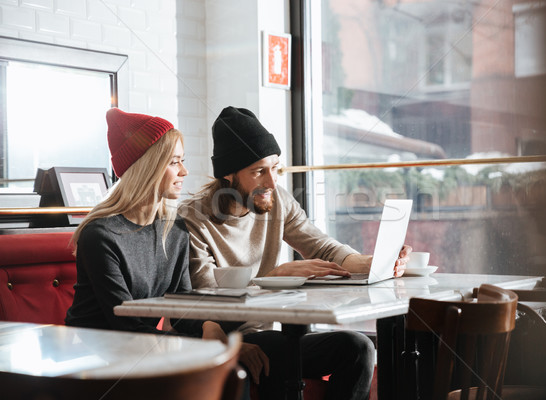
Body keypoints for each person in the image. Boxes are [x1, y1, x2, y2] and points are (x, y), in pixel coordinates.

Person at [178, 106, 412, 399]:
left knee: (358, 348)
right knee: (301, 355)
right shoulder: (192, 218)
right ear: (228, 174)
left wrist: (373, 263)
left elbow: (323, 247)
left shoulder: (278, 201)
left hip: (272, 336)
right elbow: (205, 299)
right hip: (228, 336)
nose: (272, 182)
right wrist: (271, 279)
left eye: (275, 167)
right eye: (259, 171)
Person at [65, 108, 225, 339]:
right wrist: (201, 345)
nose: (184, 171)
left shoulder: (174, 229)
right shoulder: (101, 236)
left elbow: (182, 306)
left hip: (141, 346)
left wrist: (208, 327)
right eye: (174, 162)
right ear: (147, 168)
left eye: (183, 161)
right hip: (94, 351)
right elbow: (126, 325)